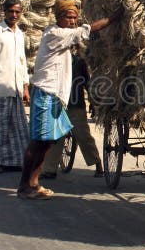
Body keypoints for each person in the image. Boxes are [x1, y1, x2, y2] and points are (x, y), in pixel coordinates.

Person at [18, 0, 113, 200]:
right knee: (37, 142)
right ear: (58, 18)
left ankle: (34, 183)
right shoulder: (55, 34)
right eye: (67, 17)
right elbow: (86, 31)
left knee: (47, 142)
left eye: (74, 17)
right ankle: (24, 185)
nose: (71, 21)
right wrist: (111, 19)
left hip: (56, 97)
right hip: (45, 94)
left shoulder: (64, 38)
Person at [0, 0, 30, 173]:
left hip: (16, 87)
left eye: (17, 12)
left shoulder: (19, 33)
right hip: (1, 84)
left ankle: (16, 160)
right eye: (11, 11)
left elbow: (22, 61)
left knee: (19, 126)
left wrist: (25, 86)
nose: (14, 15)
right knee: (2, 126)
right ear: (5, 11)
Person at [43, 50, 103, 179]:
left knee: (83, 135)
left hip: (76, 105)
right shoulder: (53, 61)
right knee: (56, 137)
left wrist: (92, 100)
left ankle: (97, 164)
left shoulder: (79, 62)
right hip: (57, 104)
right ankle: (49, 169)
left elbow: (87, 82)